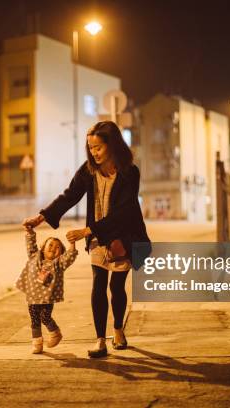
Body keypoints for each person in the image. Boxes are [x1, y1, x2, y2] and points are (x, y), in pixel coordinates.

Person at [23, 121, 151, 358]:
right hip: (97, 239)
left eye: (98, 147)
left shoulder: (129, 172)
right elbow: (70, 195)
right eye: (90, 148)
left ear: (112, 145)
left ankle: (118, 329)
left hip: (123, 236)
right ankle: (100, 340)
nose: (94, 152)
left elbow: (124, 211)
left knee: (116, 286)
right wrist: (42, 216)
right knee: (98, 284)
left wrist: (87, 230)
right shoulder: (89, 170)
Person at [15, 225, 78, 354]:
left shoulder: (59, 263)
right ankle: (37, 343)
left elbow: (70, 257)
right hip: (33, 296)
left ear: (61, 253)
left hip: (47, 297)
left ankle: (55, 333)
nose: (53, 249)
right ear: (42, 248)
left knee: (45, 317)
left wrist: (72, 245)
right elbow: (31, 244)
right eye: (50, 245)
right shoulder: (34, 257)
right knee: (34, 320)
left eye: (57, 248)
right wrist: (30, 232)